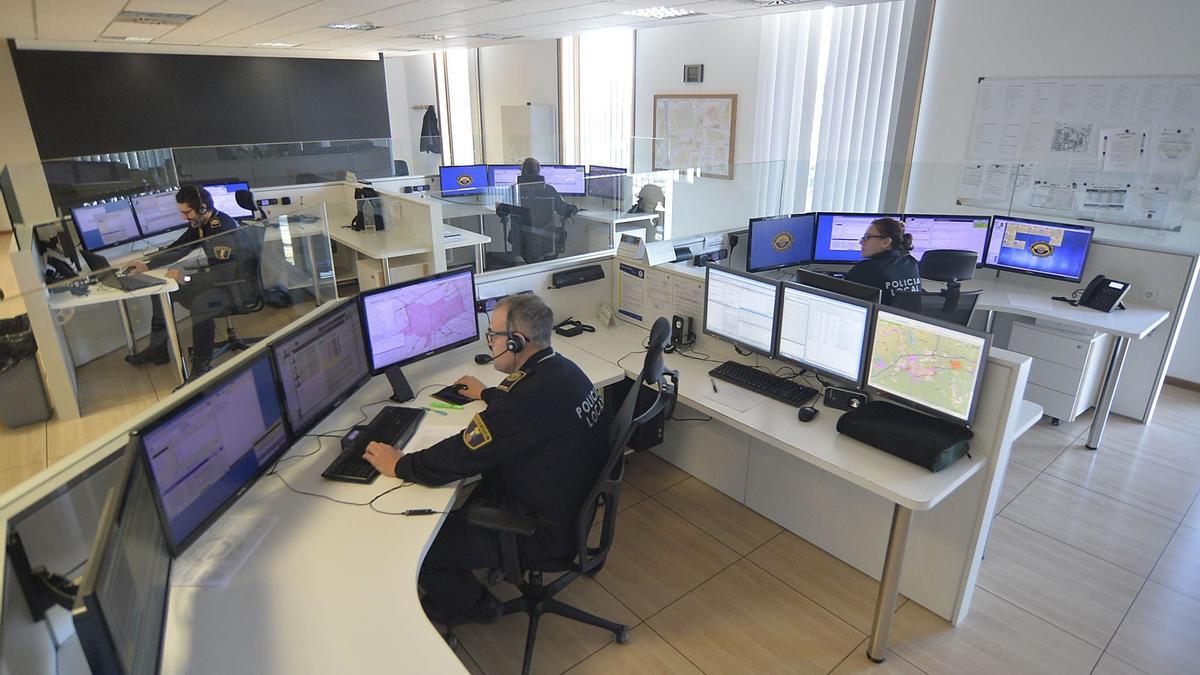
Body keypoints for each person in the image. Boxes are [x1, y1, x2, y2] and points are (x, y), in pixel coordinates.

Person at [362, 293, 609, 627]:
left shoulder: (524, 401)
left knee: (425, 552)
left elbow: (461, 455)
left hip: (542, 528)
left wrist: (400, 464)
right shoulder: (562, 369)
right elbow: (531, 412)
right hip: (569, 504)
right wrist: (488, 394)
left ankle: (480, 609)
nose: (489, 341)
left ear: (517, 342)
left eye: (493, 335)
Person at [124, 185, 247, 376]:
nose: (184, 217)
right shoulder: (202, 224)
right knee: (161, 291)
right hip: (217, 278)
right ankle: (158, 350)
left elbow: (224, 275)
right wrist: (147, 264)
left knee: (201, 304)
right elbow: (180, 247)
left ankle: (201, 365)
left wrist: (185, 278)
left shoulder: (221, 229)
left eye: (187, 212)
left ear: (203, 208)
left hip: (235, 286)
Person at [496, 157, 579, 263]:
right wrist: (575, 208)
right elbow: (564, 211)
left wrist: (499, 206)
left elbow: (501, 212)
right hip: (546, 240)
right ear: (538, 171)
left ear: (523, 172)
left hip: (521, 240)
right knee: (561, 233)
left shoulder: (513, 190)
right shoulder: (548, 189)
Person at [845, 217, 922, 307]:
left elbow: (841, 300)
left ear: (886, 242)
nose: (861, 242)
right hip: (905, 320)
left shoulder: (865, 269)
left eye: (867, 237)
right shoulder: (911, 262)